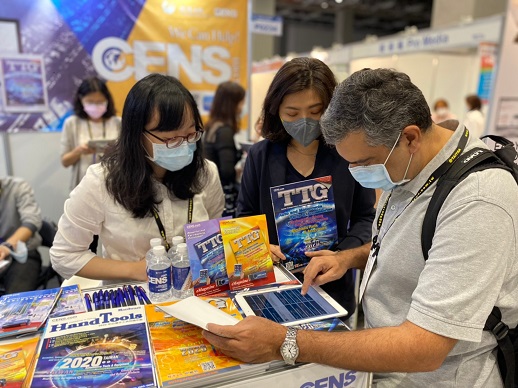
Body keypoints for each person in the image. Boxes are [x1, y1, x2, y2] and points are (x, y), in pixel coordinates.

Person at [203, 68, 518, 387]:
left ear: (409, 137)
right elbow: (407, 248)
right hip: (382, 364)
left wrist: (286, 342)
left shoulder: (478, 201)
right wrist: (348, 259)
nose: (354, 173)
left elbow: (425, 347)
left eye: (364, 163)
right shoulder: (412, 165)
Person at [50, 74, 224, 283]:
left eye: (190, 135)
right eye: (170, 139)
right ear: (137, 134)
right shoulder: (101, 181)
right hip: (130, 295)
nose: (183, 145)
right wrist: (134, 270)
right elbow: (64, 255)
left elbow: (213, 231)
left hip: (193, 291)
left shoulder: (206, 173)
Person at [236, 57, 376, 315]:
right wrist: (259, 247)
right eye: (292, 113)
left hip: (332, 288)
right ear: (275, 110)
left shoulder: (347, 153)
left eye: (315, 112)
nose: (305, 121)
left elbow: (364, 216)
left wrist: (340, 257)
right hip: (272, 288)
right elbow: (245, 218)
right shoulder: (261, 156)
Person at [60, 76, 121, 191]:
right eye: (90, 102)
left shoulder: (118, 122)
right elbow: (65, 161)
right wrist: (79, 151)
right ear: (81, 100)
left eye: (100, 102)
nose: (95, 106)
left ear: (107, 100)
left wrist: (114, 151)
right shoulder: (72, 123)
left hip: (115, 184)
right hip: (83, 186)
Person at [203, 81, 246, 217]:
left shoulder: (212, 126)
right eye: (241, 102)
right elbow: (226, 171)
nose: (242, 107)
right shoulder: (224, 131)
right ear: (232, 104)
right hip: (223, 195)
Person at [0, 176, 42, 294]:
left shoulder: (17, 187)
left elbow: (32, 221)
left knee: (15, 303)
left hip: (21, 255)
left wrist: (7, 246)